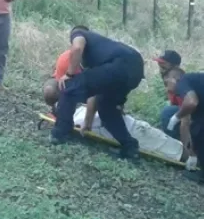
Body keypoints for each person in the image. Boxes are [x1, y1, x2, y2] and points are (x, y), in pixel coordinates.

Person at [43, 52, 185, 162]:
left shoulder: (78, 112)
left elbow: (96, 97)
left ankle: (189, 153)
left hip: (123, 123)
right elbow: (96, 98)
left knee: (151, 134)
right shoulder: (79, 114)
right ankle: (188, 154)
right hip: (127, 127)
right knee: (154, 138)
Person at [49, 26, 144, 159]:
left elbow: (76, 48)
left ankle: (60, 133)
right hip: (136, 70)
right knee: (106, 108)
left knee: (68, 87)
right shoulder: (101, 51)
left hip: (119, 65)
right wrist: (88, 122)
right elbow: (94, 92)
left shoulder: (79, 33)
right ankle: (130, 147)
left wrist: (69, 75)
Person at [165, 70, 204, 187]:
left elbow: (191, 102)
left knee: (200, 130)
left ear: (175, 77)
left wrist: (176, 117)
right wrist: (192, 152)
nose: (167, 88)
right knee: (203, 129)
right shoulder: (203, 89)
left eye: (167, 83)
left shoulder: (184, 80)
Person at [154, 50, 183, 138]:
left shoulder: (180, 83)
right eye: (159, 67)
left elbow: (187, 115)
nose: (161, 71)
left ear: (175, 67)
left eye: (163, 67)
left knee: (168, 112)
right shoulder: (170, 81)